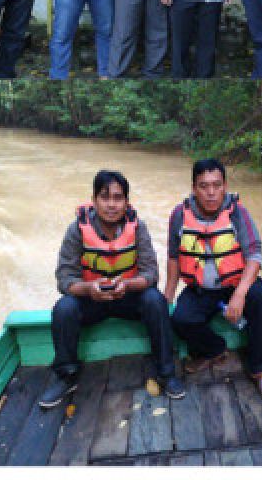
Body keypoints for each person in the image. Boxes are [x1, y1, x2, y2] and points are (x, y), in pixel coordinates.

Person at [40, 170, 183, 408]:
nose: (111, 205)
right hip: (91, 299)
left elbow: (150, 274)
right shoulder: (77, 230)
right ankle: (66, 376)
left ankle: (166, 372)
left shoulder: (137, 227)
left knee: (155, 300)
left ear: (127, 203)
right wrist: (89, 289)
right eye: (105, 197)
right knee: (64, 308)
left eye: (118, 198)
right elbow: (64, 278)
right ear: (94, 200)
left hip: (127, 296)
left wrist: (127, 284)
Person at [164, 158, 262, 400]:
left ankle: (260, 369)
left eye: (217, 185)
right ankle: (214, 350)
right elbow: (174, 258)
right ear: (194, 188)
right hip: (200, 289)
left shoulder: (238, 213)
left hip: (236, 283)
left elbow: (255, 255)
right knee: (180, 319)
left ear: (225, 185)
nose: (211, 192)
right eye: (204, 186)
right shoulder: (179, 215)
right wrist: (167, 297)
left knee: (261, 301)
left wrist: (239, 294)